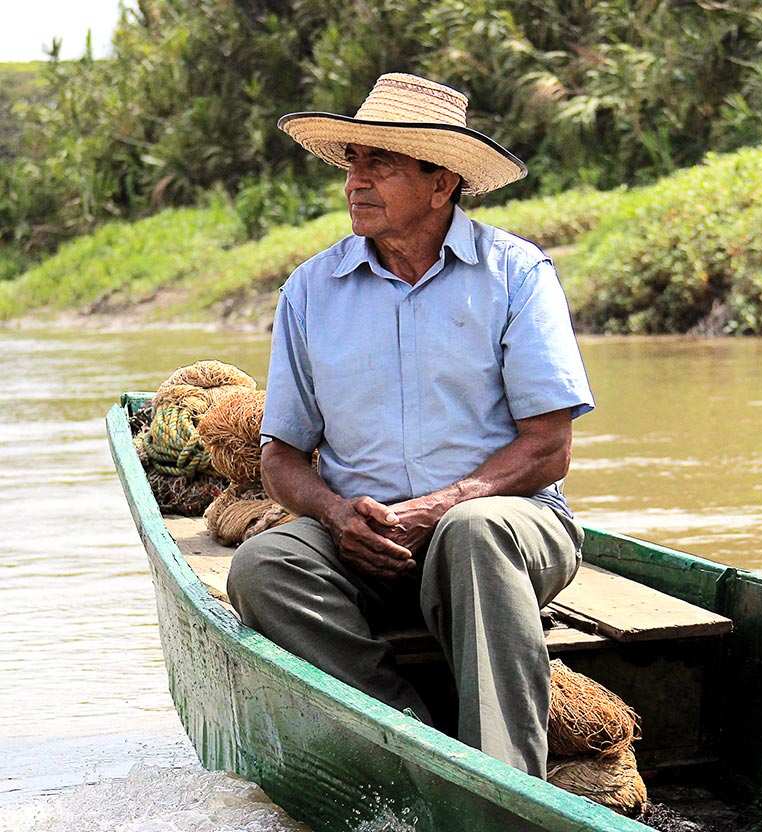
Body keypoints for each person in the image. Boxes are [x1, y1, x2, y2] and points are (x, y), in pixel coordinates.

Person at [227, 72, 595, 779]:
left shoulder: (516, 274)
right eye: (353, 163)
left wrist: (442, 505)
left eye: (381, 165)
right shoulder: (311, 290)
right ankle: (413, 741)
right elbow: (280, 457)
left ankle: (505, 785)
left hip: (504, 530)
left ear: (442, 183)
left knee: (473, 531)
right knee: (264, 567)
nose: (354, 183)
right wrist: (337, 515)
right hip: (365, 544)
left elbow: (549, 449)